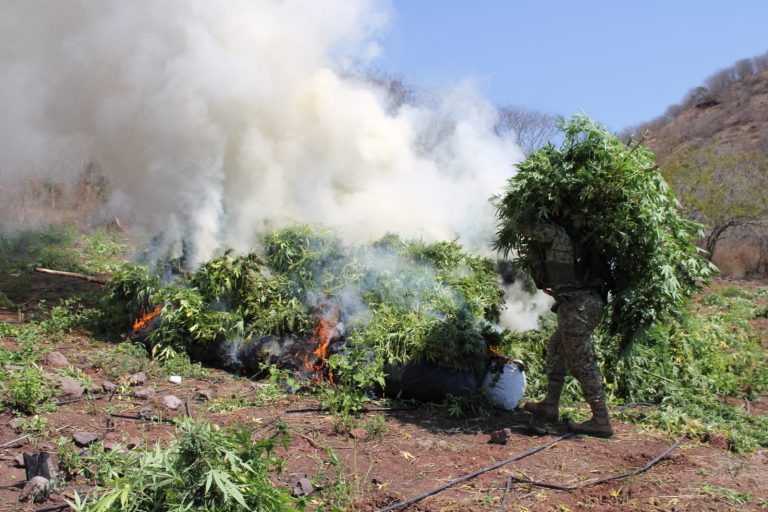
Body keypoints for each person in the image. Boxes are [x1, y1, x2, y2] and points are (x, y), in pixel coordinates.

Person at [518, 220, 613, 438]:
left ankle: (601, 420)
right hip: (581, 304)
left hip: (577, 307)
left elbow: (527, 227)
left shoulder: (560, 233)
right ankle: (550, 405)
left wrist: (518, 220)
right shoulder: (580, 235)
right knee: (557, 347)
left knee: (583, 362)